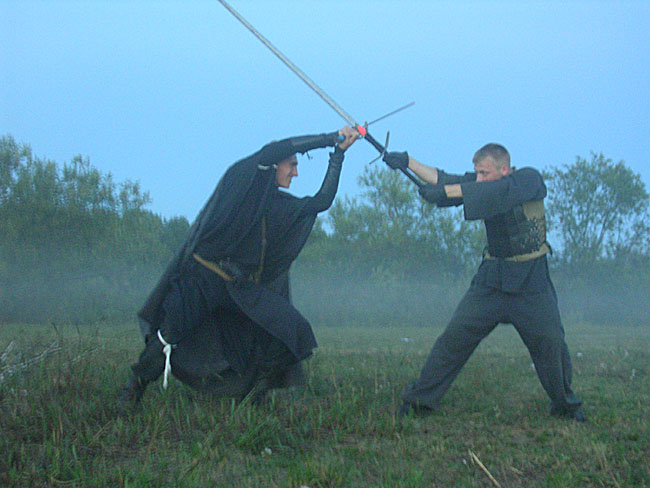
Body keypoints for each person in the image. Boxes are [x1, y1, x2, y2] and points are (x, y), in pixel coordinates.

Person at [119, 126, 359, 408]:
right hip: (201, 278)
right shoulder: (243, 178)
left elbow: (321, 201)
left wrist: (338, 154)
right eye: (291, 165)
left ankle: (256, 393)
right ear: (274, 165)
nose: (295, 173)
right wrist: (329, 138)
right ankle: (134, 388)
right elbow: (274, 150)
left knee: (291, 330)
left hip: (238, 288)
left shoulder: (279, 204)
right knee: (169, 335)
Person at [383, 144, 586, 421]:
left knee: (550, 343)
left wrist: (446, 193)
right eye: (477, 172)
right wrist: (408, 162)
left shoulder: (529, 180)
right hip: (491, 281)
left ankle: (565, 406)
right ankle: (420, 402)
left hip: (532, 282)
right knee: (453, 340)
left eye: (484, 173)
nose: (479, 178)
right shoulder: (481, 184)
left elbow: (493, 191)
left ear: (504, 169)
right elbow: (446, 180)